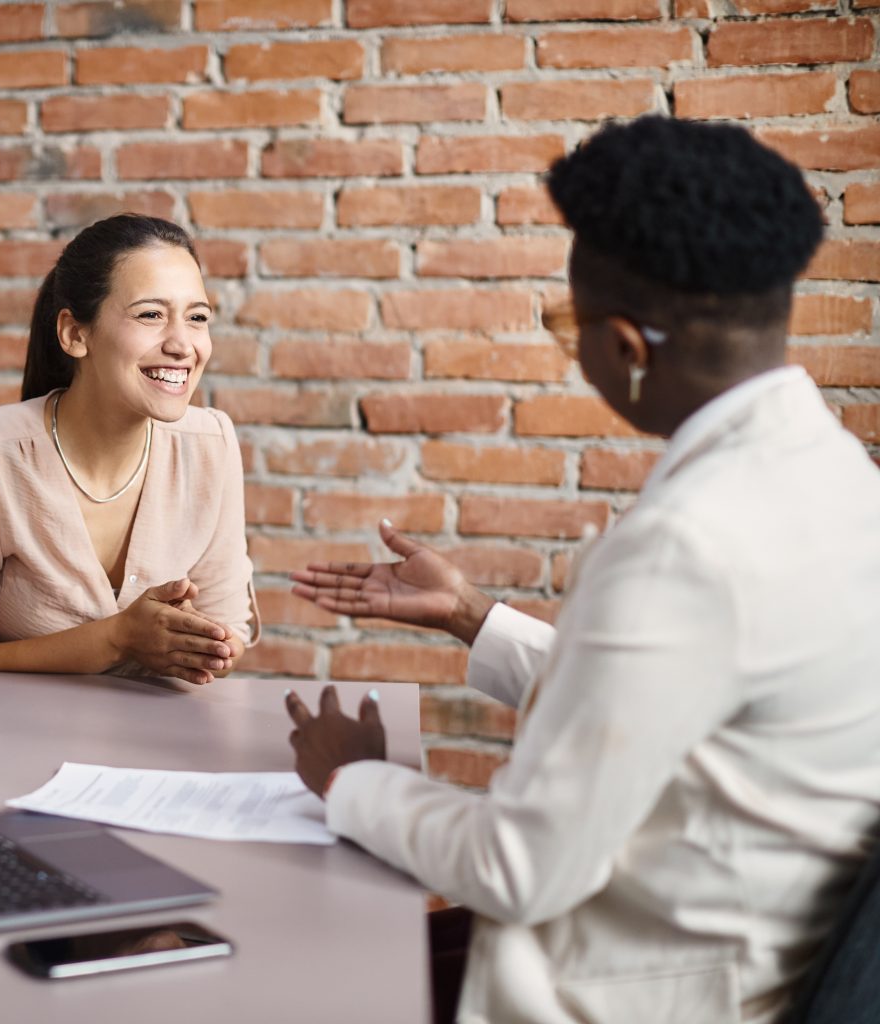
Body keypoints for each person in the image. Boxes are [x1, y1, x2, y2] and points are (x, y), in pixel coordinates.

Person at [285, 116, 880, 1023]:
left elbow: (519, 867)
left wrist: (353, 779)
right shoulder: (842, 481)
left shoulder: (683, 546)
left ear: (628, 352)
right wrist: (476, 618)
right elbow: (699, 714)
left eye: (571, 328)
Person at [0, 214, 257, 685]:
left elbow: (229, 631)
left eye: (197, 318)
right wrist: (118, 638)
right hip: (16, 745)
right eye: (151, 314)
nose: (182, 344)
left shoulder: (211, 444)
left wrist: (201, 641)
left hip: (161, 747)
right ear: (75, 334)